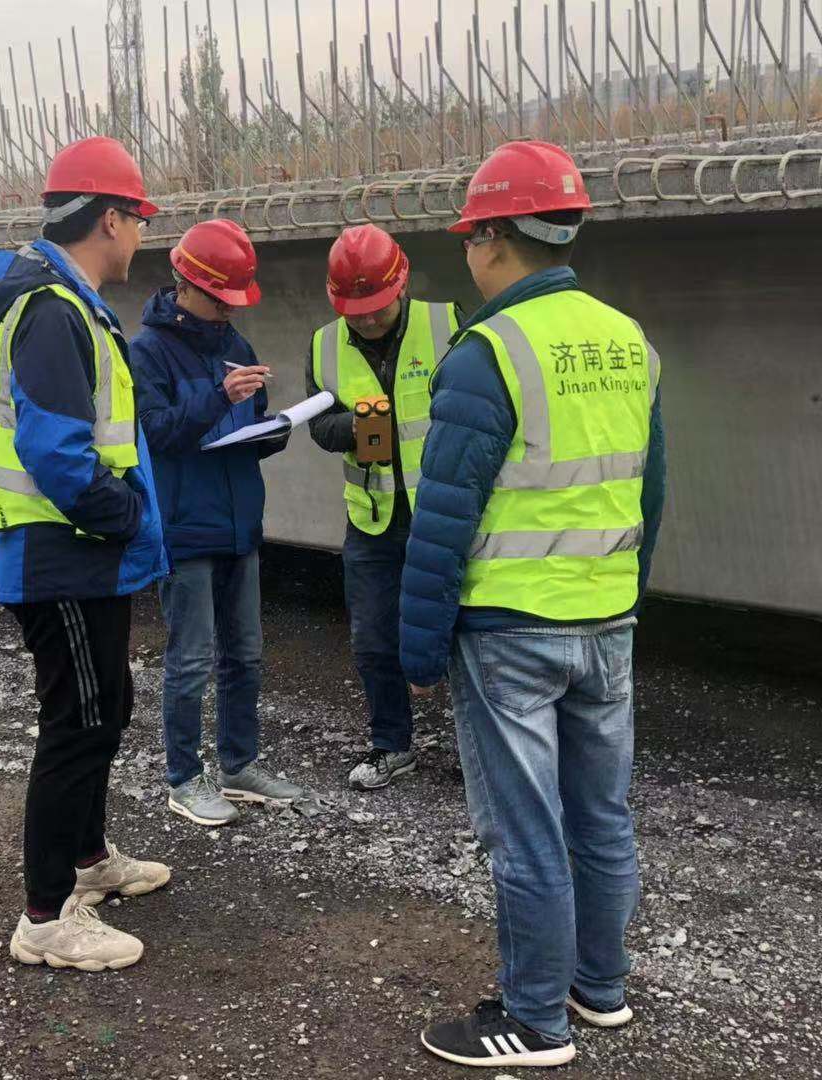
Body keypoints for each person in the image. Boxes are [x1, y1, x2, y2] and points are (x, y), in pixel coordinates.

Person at [400, 140, 666, 1068]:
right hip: (606, 621)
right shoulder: (629, 340)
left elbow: (444, 517)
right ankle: (601, 987)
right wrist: (621, 590)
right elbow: (650, 491)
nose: (470, 252)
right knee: (601, 816)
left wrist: (417, 651)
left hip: (511, 631)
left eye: (472, 236)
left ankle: (535, 1020)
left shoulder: (489, 351)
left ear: (495, 238)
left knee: (525, 833)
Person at [0, 136, 172, 972]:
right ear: (111, 219)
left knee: (105, 707)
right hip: (63, 553)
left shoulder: (68, 305)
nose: (142, 236)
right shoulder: (53, 310)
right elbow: (55, 451)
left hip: (80, 553)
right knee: (78, 723)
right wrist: (124, 515)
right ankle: (46, 915)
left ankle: (89, 861)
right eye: (138, 219)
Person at [129, 219, 304, 827]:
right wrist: (219, 398)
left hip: (239, 525)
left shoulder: (237, 346)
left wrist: (275, 429)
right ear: (185, 285)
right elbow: (156, 434)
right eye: (220, 297)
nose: (229, 308)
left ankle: (239, 765)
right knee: (191, 660)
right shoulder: (146, 352)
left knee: (245, 655)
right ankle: (184, 778)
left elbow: (244, 432)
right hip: (186, 530)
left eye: (235, 299)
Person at [304, 225, 461, 791]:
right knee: (373, 639)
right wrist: (355, 428)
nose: (368, 319)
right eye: (356, 311)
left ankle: (477, 747)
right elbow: (317, 424)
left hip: (441, 514)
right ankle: (392, 744)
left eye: (377, 307)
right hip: (372, 518)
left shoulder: (447, 324)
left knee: (463, 632)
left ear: (403, 284)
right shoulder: (324, 345)